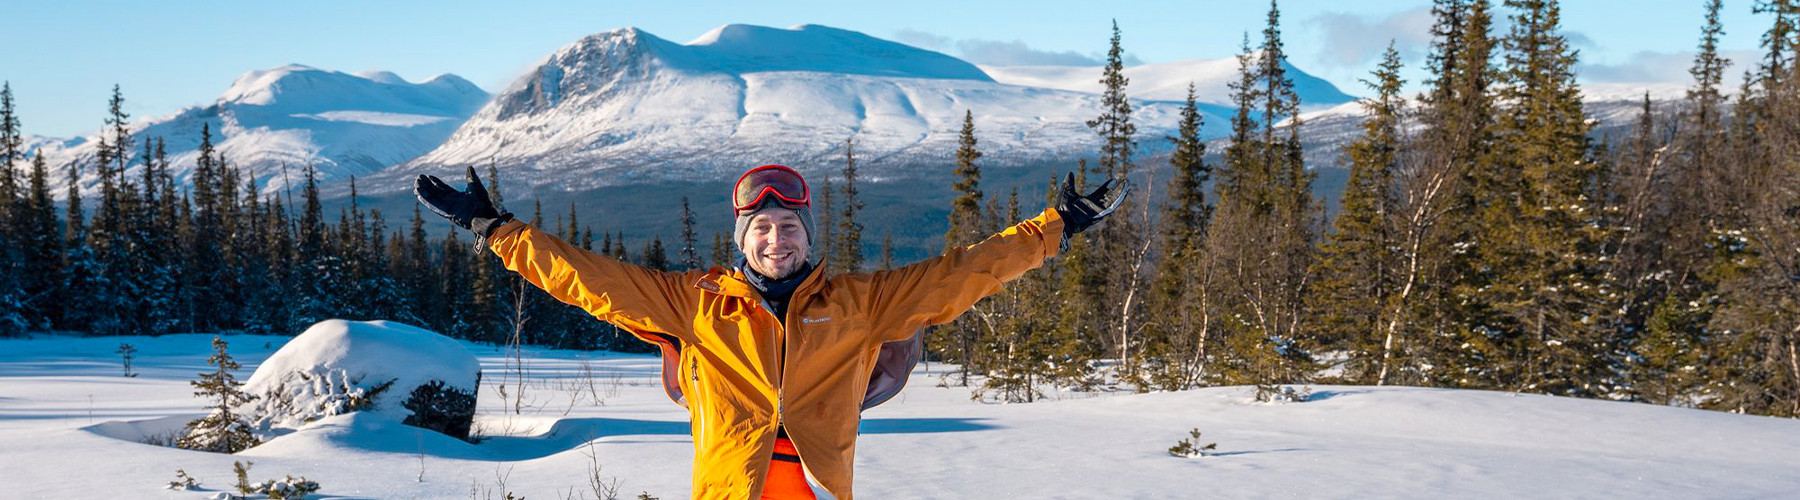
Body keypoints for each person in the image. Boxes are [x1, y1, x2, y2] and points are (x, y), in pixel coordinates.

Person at [415, 164, 1127, 500]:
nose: (776, 240)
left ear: (806, 236)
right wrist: (495, 229)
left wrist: (1055, 227)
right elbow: (585, 277)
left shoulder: (860, 302)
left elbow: (963, 273)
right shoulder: (691, 303)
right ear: (742, 237)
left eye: (789, 227)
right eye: (762, 228)